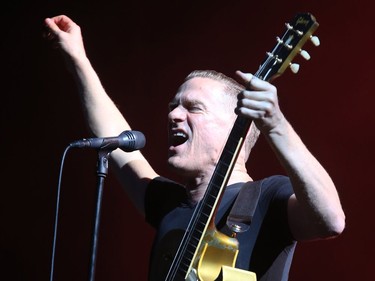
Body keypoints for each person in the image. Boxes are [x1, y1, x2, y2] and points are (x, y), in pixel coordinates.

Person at [44, 15, 345, 281]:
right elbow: (116, 140)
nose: (173, 115)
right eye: (174, 106)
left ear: (236, 124)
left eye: (193, 108)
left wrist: (277, 125)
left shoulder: (267, 197)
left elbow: (330, 219)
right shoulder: (170, 203)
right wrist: (77, 59)